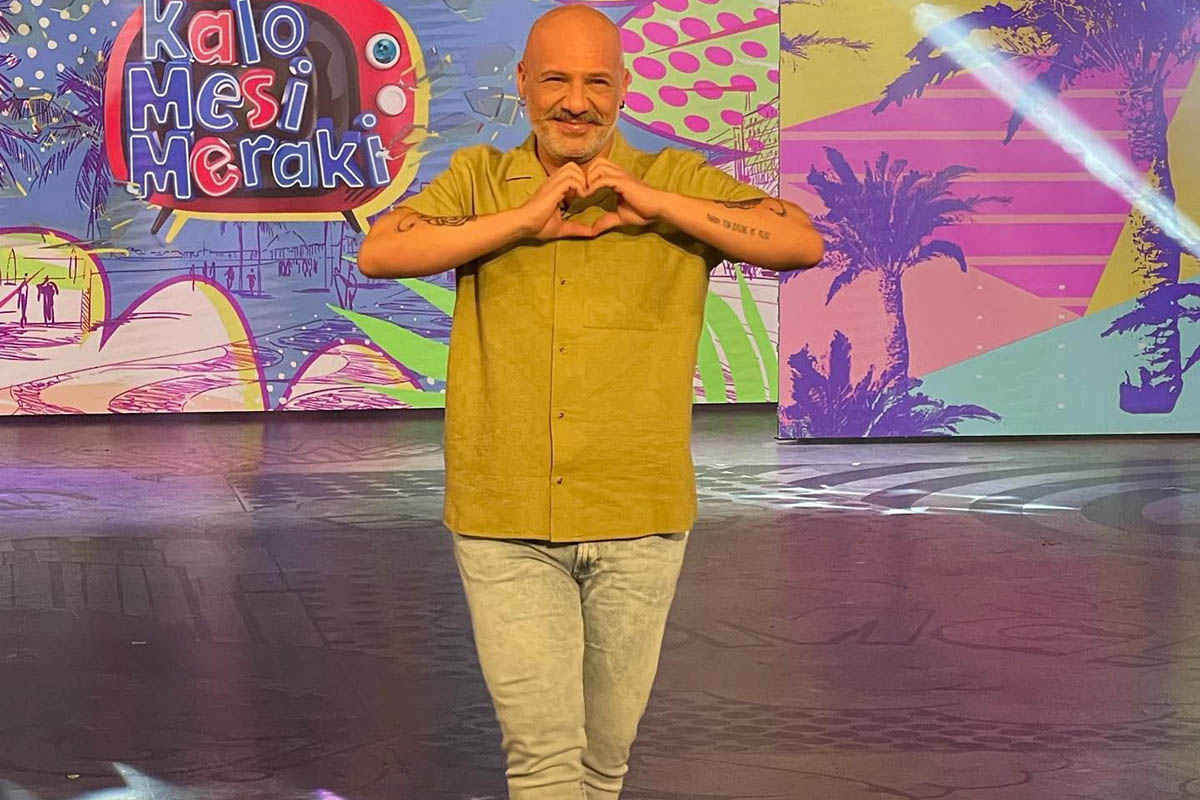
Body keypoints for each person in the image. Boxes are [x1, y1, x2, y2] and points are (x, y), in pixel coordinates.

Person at [358, 6, 824, 799]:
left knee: (603, 764)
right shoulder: (478, 176)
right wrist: (521, 223)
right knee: (544, 764)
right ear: (523, 83)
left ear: (624, 87)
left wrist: (658, 205)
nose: (576, 102)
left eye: (596, 82)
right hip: (505, 517)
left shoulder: (674, 178)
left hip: (637, 513)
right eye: (556, 80)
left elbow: (797, 240)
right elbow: (381, 250)